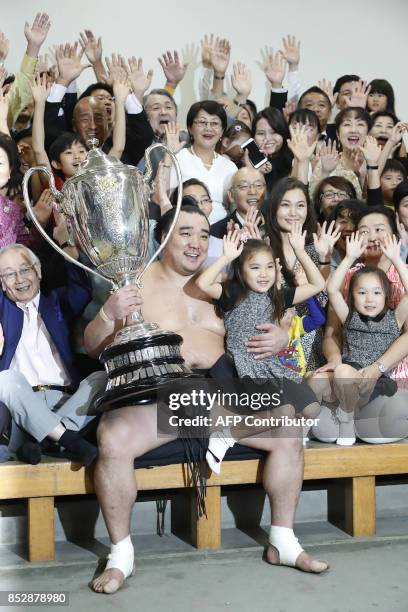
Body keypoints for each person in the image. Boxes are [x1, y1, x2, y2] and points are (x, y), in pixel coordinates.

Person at [83, 204, 328, 594]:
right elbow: (93, 346)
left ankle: (283, 541)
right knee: (112, 439)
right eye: (184, 233)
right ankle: (121, 556)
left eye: (202, 234)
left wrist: (285, 336)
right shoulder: (134, 284)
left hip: (222, 393)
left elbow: (282, 312)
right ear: (161, 238)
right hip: (161, 399)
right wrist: (109, 316)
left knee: (288, 431)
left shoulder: (227, 281)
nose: (196, 243)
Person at [196, 228, 325, 470]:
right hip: (244, 367)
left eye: (269, 267)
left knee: (312, 409)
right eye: (255, 268)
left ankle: (263, 424)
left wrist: (300, 251)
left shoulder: (278, 295)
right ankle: (226, 435)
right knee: (284, 411)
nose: (264, 274)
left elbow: (318, 284)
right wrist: (226, 256)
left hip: (273, 367)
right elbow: (203, 283)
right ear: (241, 272)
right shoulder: (233, 293)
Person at [0, 244, 104, 465]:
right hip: (22, 407)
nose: (19, 279)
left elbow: (82, 290)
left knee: (102, 379)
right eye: (9, 274)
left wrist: (66, 247)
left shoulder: (55, 303)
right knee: (5, 379)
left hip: (66, 400)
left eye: (25, 269)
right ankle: (71, 441)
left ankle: (43, 443)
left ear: (38, 271)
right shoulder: (4, 309)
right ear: (1, 283)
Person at [312, 206, 408, 444]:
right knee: (323, 422)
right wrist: (349, 256)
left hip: (387, 377)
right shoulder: (349, 282)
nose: (372, 236)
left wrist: (398, 258)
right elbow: (331, 324)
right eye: (364, 230)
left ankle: (355, 419)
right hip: (350, 376)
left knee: (387, 423)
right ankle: (335, 419)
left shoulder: (394, 311)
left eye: (379, 229)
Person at [266, 177, 337, 370]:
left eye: (300, 205)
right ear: (273, 208)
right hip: (271, 345)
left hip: (310, 341)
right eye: (285, 205)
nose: (293, 213)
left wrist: (325, 258)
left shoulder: (315, 248)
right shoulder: (262, 248)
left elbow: (323, 301)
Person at [169, 100, 238, 223]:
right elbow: (165, 197)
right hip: (185, 226)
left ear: (222, 131)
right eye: (202, 122)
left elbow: (235, 207)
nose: (208, 128)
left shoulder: (230, 166)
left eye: (215, 123)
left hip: (222, 233)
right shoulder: (178, 158)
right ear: (190, 128)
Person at [210, 166, 266, 238]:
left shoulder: (275, 224)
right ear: (231, 195)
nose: (252, 192)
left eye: (258, 185)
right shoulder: (215, 232)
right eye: (244, 186)